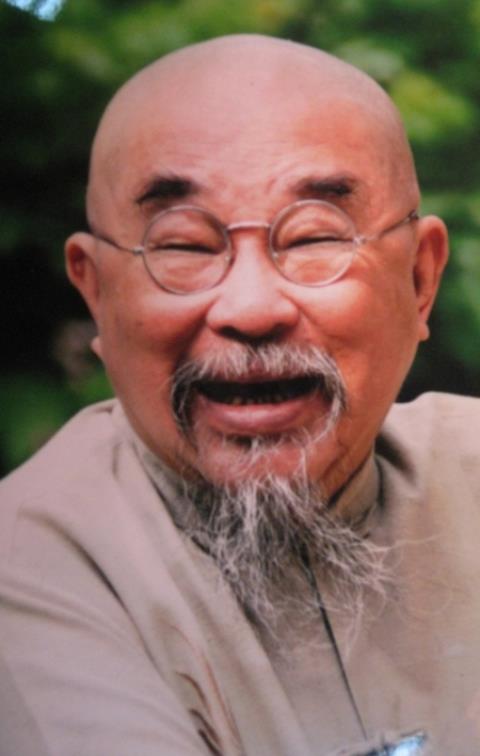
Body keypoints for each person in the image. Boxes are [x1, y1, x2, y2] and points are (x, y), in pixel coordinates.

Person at [0, 32, 479, 756]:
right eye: (183, 246)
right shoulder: (33, 568)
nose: (251, 308)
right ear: (96, 296)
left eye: (314, 237)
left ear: (419, 279)